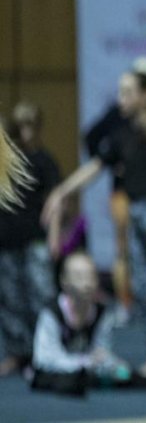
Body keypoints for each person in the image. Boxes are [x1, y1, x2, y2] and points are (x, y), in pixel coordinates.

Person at [42, 71, 146, 381]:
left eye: (128, 92)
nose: (121, 98)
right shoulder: (121, 133)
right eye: (120, 91)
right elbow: (95, 167)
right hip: (136, 211)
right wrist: (62, 191)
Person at [83, 56, 146, 323]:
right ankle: (126, 301)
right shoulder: (119, 113)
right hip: (124, 193)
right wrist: (114, 162)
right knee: (125, 250)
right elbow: (92, 137)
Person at [0, 103, 60, 376]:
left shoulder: (42, 160)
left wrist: (55, 235)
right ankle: (18, 352)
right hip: (6, 239)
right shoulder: (6, 162)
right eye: (19, 124)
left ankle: (45, 351)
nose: (24, 130)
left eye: (29, 123)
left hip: (34, 237)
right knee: (10, 299)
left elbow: (56, 199)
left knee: (41, 296)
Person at [31, 251, 130, 395]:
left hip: (87, 372)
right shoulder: (51, 314)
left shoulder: (101, 313)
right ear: (64, 281)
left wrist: (115, 365)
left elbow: (101, 352)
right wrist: (84, 362)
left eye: (91, 276)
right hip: (54, 373)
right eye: (79, 277)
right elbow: (45, 359)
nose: (86, 283)